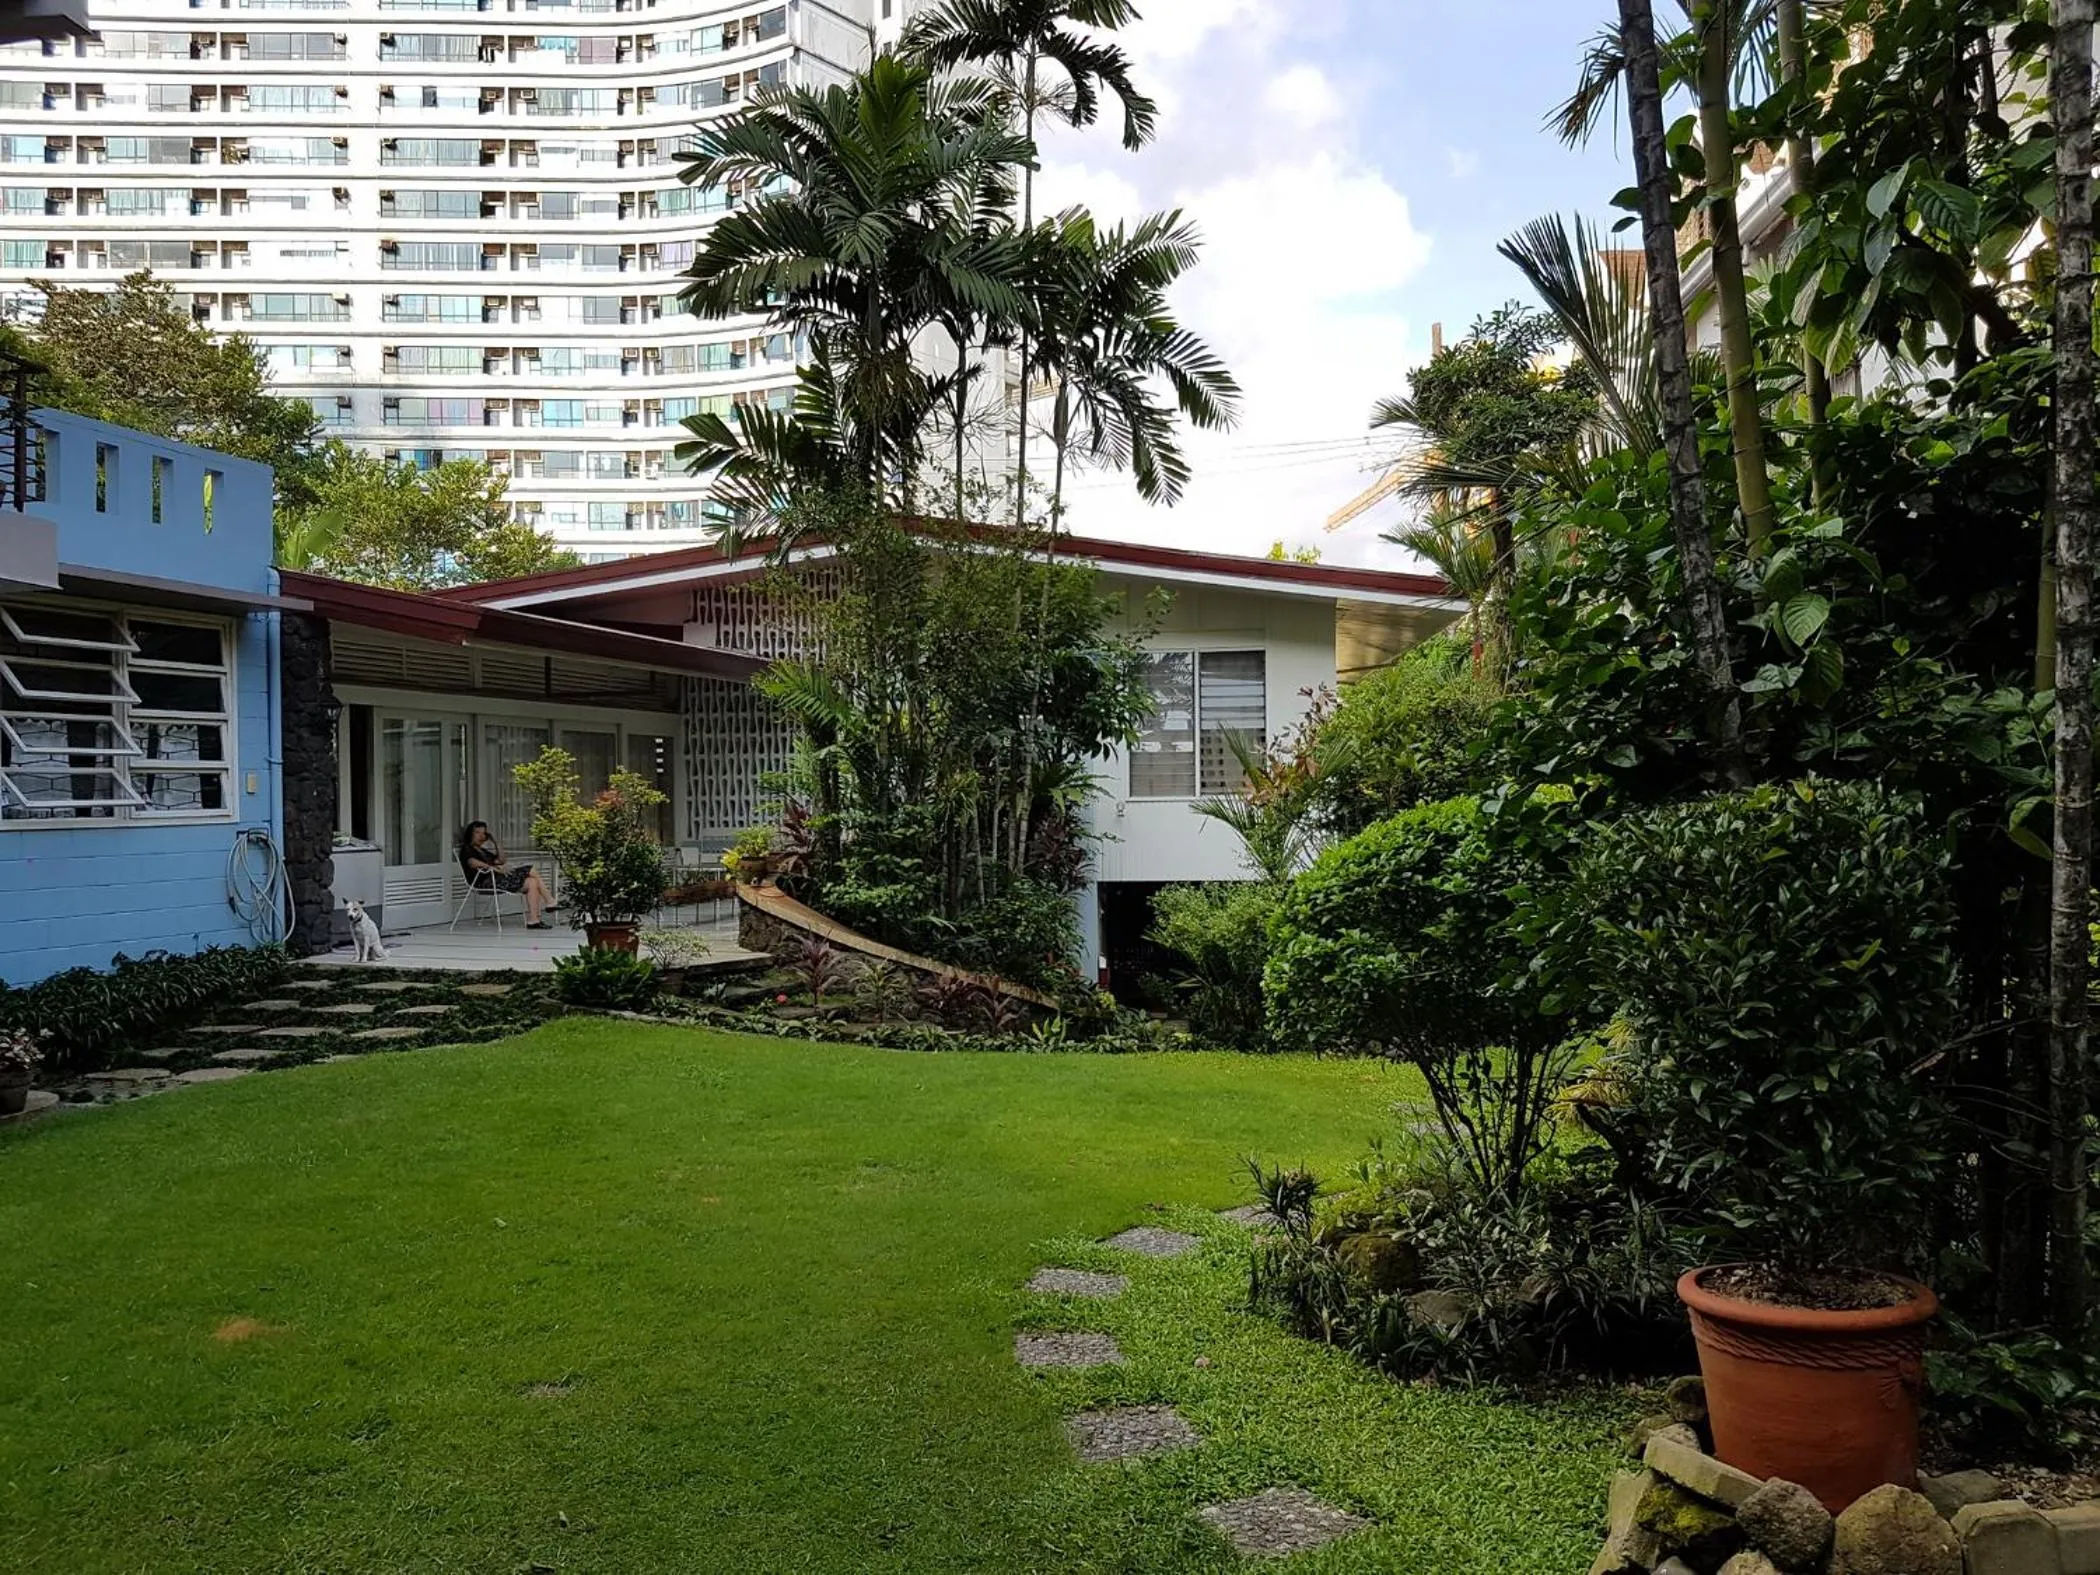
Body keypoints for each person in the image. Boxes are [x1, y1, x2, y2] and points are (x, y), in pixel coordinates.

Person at [458, 821, 553, 928]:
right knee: (530, 869)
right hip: (484, 883)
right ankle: (550, 900)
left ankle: (534, 920)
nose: (481, 836)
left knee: (532, 882)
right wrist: (495, 869)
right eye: (477, 832)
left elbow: (501, 860)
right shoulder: (466, 849)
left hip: (496, 880)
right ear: (470, 834)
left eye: (483, 833)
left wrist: (496, 843)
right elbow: (473, 862)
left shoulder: (482, 851)